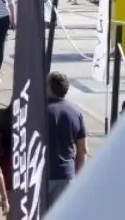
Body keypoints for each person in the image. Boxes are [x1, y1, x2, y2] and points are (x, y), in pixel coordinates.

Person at [45, 71, 88, 209]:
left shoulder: (38, 111)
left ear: (49, 87)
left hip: (41, 174)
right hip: (66, 174)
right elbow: (83, 151)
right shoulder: (76, 113)